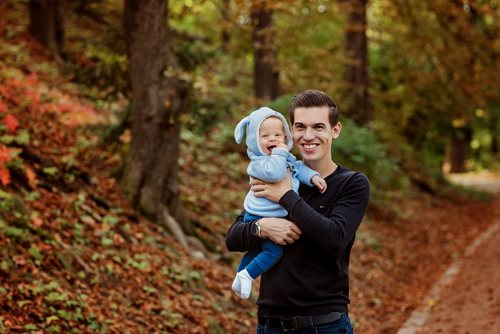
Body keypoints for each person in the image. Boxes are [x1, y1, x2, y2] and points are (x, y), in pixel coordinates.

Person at [226, 89, 370, 333]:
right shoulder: (275, 172)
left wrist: (285, 196)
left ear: (335, 130)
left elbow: (334, 239)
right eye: (300, 127)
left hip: (324, 324)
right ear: (290, 131)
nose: (308, 135)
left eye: (319, 127)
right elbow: (233, 237)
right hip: (270, 324)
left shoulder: (351, 183)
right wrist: (262, 228)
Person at [232, 106, 327, 299]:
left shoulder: (283, 158)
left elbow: (297, 167)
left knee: (258, 249)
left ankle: (240, 275)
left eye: (278, 134)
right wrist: (281, 153)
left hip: (270, 213)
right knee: (274, 252)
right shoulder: (259, 162)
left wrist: (312, 177)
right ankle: (248, 274)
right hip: (258, 214)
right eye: (265, 136)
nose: (273, 139)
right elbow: (275, 172)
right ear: (254, 141)